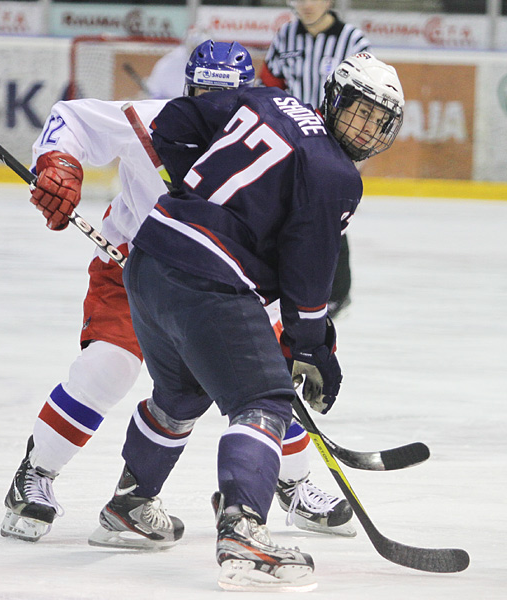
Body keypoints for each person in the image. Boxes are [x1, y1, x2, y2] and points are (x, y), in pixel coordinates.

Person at [1, 41, 355, 545]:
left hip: (220, 280)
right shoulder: (157, 118)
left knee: (267, 378)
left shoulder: (265, 143)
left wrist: (303, 333)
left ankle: (291, 484)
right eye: (203, 93)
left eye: (225, 95)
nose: (211, 103)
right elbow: (74, 120)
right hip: (131, 271)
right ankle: (35, 475)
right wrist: (61, 165)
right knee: (110, 367)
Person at [74, 53, 403, 590]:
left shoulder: (271, 100)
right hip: (206, 277)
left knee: (179, 396)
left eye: (378, 120)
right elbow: (307, 271)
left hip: (150, 255)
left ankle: (129, 508)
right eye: (358, 112)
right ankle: (243, 531)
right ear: (334, 101)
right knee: (264, 403)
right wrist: (312, 347)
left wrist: (195, 189)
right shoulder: (337, 174)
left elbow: (174, 122)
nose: (365, 128)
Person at [260, 0, 371, 319]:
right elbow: (269, 87)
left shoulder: (353, 41)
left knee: (329, 215)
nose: (307, 4)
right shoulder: (285, 37)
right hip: (290, 139)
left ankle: (337, 294)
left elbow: (368, 96)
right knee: (283, 213)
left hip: (333, 143)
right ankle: (287, 285)